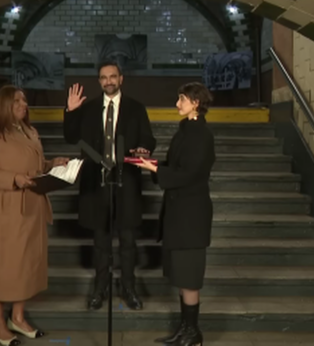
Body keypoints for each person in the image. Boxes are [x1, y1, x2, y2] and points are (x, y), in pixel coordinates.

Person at [0, 85, 71, 346]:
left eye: (25, 100)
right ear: (4, 103)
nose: (23, 104)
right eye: (17, 100)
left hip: (31, 206)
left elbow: (35, 167)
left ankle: (17, 317)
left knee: (26, 263)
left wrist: (52, 164)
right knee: (0, 264)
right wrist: (13, 179)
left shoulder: (30, 131)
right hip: (2, 208)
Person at [63, 60, 156, 310]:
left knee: (128, 241)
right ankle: (99, 290)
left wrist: (144, 149)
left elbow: (148, 138)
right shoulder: (90, 108)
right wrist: (71, 111)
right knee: (101, 242)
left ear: (121, 79)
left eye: (113, 76)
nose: (109, 81)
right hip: (97, 185)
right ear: (99, 81)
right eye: (104, 78)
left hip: (127, 183)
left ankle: (129, 289)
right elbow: (71, 138)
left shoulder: (136, 108)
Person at [133, 82, 216, 346]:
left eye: (181, 99)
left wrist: (157, 171)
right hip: (180, 214)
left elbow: (191, 174)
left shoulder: (202, 135)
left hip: (191, 217)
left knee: (189, 278)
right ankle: (186, 330)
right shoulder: (186, 131)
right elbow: (176, 165)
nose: (177, 104)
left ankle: (193, 333)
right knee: (182, 276)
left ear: (195, 102)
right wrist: (150, 163)